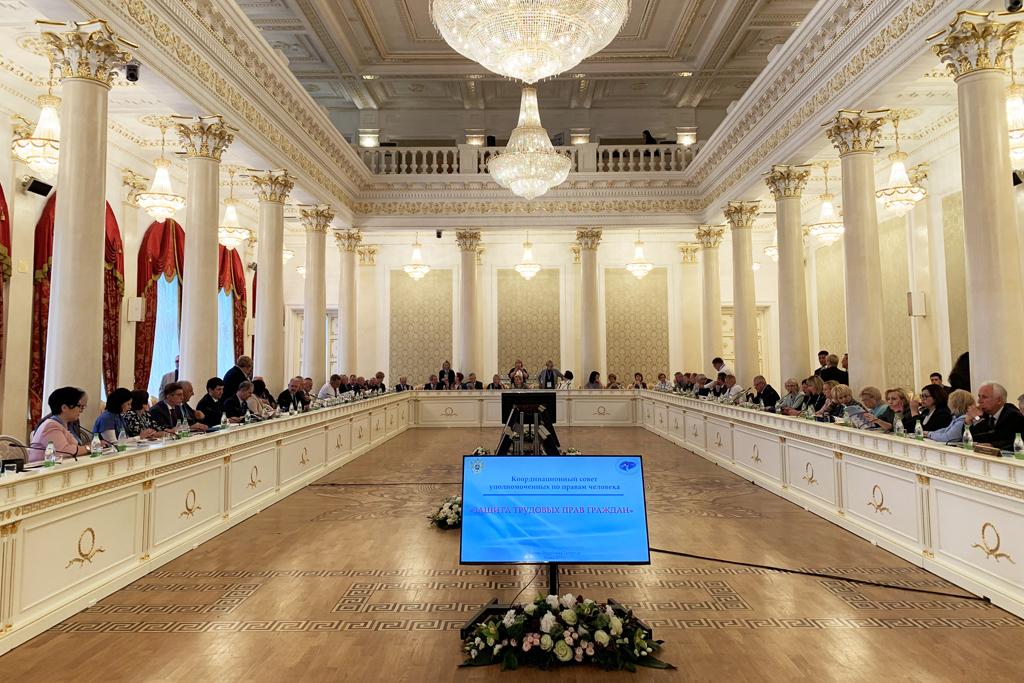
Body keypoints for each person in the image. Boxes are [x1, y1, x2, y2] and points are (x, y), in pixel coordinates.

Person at [29, 386, 92, 462]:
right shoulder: (50, 426)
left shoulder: (60, 424)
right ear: (64, 408)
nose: (81, 410)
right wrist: (88, 448)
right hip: (42, 468)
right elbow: (63, 451)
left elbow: (72, 448)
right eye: (79, 406)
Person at [966, 381, 1024, 451]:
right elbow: (969, 439)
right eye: (979, 396)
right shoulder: (985, 413)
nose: (979, 401)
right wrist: (968, 422)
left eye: (984, 397)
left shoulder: (1012, 415)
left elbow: (992, 438)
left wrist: (977, 418)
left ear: (999, 400)